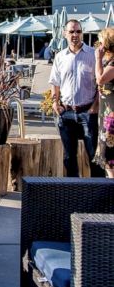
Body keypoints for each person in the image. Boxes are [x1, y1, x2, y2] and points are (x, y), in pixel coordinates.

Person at [49, 19, 103, 177]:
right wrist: (55, 103)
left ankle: (98, 194)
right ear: (65, 34)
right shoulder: (60, 57)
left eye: (78, 31)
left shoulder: (93, 56)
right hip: (66, 113)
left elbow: (101, 83)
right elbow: (55, 82)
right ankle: (73, 192)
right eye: (71, 31)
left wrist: (95, 105)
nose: (75, 35)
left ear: (82, 33)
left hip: (88, 112)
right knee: (69, 157)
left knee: (94, 156)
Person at [93, 27, 114, 178]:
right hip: (106, 114)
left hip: (111, 117)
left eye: (100, 41)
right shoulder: (110, 61)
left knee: (110, 157)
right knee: (108, 157)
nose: (98, 45)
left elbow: (100, 79)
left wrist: (98, 59)